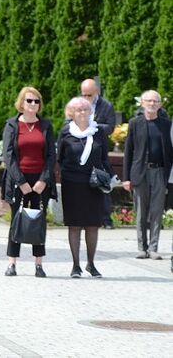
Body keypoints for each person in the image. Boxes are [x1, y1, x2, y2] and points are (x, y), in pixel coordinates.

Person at [2, 86, 56, 277]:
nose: (33, 104)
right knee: (17, 221)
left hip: (40, 180)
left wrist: (43, 180)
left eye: (36, 101)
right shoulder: (12, 125)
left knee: (38, 222)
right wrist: (21, 182)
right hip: (19, 180)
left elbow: (51, 155)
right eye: (29, 100)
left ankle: (38, 264)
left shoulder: (46, 126)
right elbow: (8, 155)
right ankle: (12, 263)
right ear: (21, 103)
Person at [58, 97, 113, 278]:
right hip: (72, 184)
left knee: (92, 225)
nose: (82, 113)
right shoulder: (66, 132)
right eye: (78, 110)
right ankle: (75, 265)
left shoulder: (98, 132)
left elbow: (105, 158)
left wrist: (108, 178)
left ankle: (91, 263)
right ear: (71, 113)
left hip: (93, 184)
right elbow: (60, 158)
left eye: (85, 109)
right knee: (74, 225)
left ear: (91, 112)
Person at [122, 90, 172, 260]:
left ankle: (154, 247)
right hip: (140, 173)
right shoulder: (135, 123)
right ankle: (141, 247)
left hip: (159, 172)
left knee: (157, 211)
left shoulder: (166, 124)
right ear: (142, 103)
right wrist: (126, 178)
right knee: (141, 212)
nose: (152, 104)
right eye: (149, 101)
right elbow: (128, 151)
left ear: (160, 104)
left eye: (155, 101)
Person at [80, 78, 118, 228]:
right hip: (81, 149)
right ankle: (83, 218)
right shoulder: (78, 105)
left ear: (97, 92)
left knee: (102, 182)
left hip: (98, 149)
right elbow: (68, 122)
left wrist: (93, 126)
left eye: (89, 95)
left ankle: (106, 219)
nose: (86, 98)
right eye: (84, 94)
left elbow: (111, 127)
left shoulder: (106, 106)